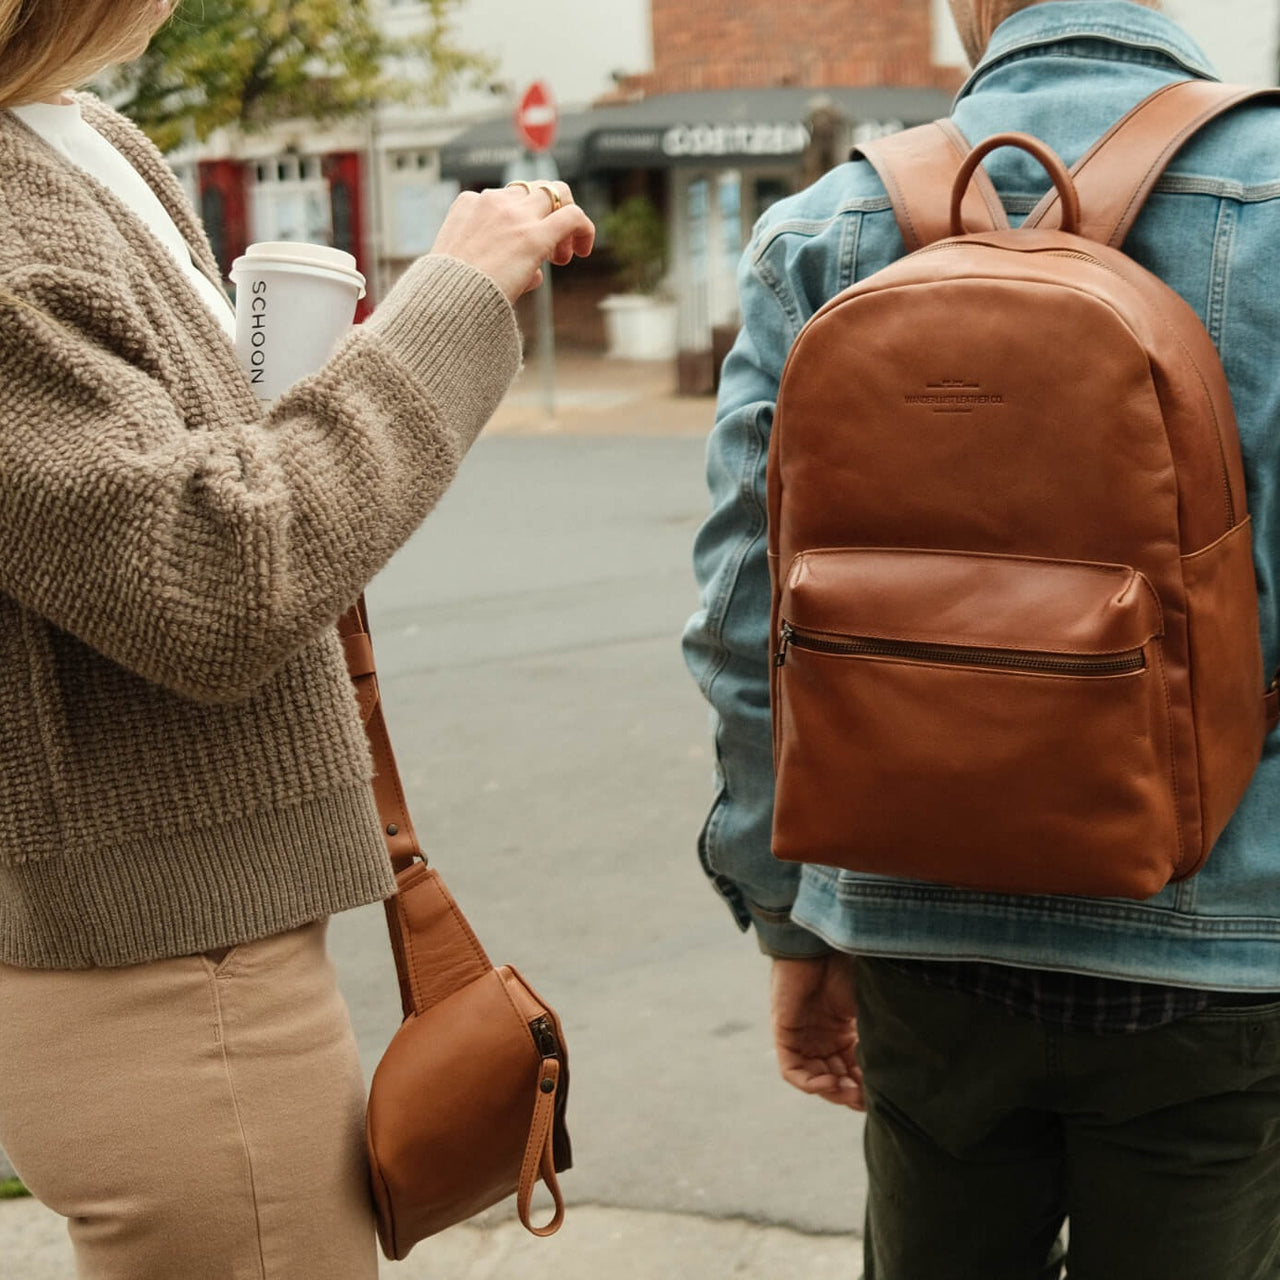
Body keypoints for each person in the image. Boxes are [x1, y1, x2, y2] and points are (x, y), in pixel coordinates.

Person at [683, 2, 1280, 1276]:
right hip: (1230, 946)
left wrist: (788, 916)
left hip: (917, 927)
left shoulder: (827, 227)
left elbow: (746, 623)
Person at [0, 1, 593, 1277]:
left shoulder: (76, 135)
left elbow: (201, 485)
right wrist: (452, 308)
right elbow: (208, 577)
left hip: (196, 942)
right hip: (160, 975)